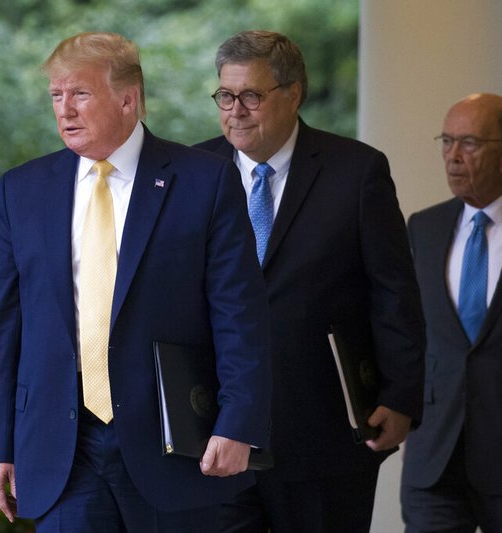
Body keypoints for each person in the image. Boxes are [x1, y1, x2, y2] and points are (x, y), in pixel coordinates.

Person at [0, 31, 272, 532]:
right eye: (56, 95)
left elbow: (239, 314)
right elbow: (3, 328)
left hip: (172, 445)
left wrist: (238, 421)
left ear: (128, 98)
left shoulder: (205, 180)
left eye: (80, 94)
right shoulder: (21, 190)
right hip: (60, 448)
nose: (64, 109)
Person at [195, 30, 426, 533]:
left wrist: (402, 394)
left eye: (251, 96)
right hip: (214, 435)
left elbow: (394, 292)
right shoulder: (191, 172)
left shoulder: (357, 171)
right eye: (225, 96)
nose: (235, 110)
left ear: (293, 93)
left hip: (323, 436)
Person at [401, 93, 502, 533]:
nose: (453, 157)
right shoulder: (423, 227)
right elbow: (408, 329)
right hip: (435, 452)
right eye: (446, 142)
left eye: (470, 143)